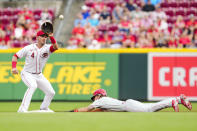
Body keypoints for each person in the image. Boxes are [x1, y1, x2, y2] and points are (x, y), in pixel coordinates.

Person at [11, 30, 58, 113]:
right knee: (33, 86)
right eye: (42, 36)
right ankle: (22, 109)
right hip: (27, 73)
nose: (44, 38)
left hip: (39, 75)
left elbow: (55, 47)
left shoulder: (47, 48)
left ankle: (44, 108)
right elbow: (15, 56)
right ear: (37, 37)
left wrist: (51, 37)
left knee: (51, 92)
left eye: (45, 36)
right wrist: (14, 67)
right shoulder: (29, 48)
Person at [69, 89, 192, 112]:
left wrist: (73, 111)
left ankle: (173, 101)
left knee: (149, 110)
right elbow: (97, 111)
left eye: (95, 96)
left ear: (99, 95)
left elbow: (87, 109)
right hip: (128, 104)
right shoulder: (104, 102)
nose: (94, 99)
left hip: (128, 106)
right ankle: (178, 99)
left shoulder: (100, 100)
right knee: (151, 107)